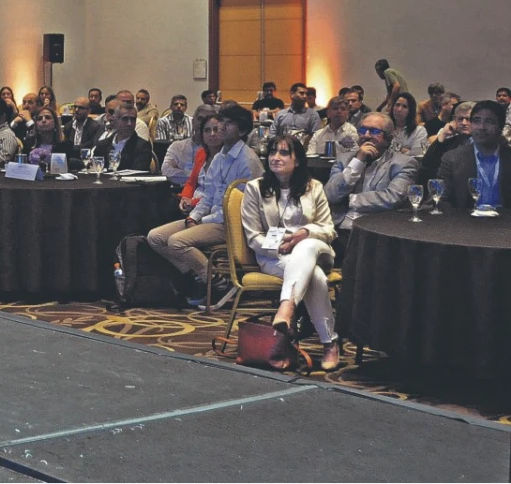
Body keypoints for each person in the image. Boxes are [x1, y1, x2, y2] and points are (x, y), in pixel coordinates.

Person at [240, 134, 340, 371]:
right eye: (273, 152)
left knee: (305, 247)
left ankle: (286, 307)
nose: (276, 157)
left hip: (317, 250)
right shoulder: (255, 189)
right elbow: (253, 237)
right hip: (274, 256)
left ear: (298, 161)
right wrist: (280, 247)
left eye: (284, 153)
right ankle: (330, 343)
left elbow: (329, 230)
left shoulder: (313, 187)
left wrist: (304, 233)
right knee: (314, 277)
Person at [149, 105, 263, 308]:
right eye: (221, 122)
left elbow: (242, 208)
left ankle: (217, 283)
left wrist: (203, 220)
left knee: (177, 242)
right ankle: (207, 279)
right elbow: (208, 195)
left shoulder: (247, 160)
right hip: (213, 218)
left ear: (242, 131)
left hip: (232, 223)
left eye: (227, 124)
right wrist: (194, 217)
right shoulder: (219, 157)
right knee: (155, 237)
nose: (220, 128)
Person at [324, 112, 418, 260]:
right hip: (340, 229)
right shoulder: (343, 159)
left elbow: (393, 197)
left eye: (374, 131)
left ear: (389, 138)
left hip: (374, 232)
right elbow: (330, 194)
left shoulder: (403, 163)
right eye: (362, 130)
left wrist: (351, 200)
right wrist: (358, 162)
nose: (366, 135)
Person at [438, 100, 511, 210]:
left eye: (489, 121)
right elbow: (440, 199)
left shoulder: (507, 157)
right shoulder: (452, 159)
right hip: (466, 223)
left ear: (500, 127)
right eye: (477, 121)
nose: (482, 127)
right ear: (471, 125)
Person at [161, 104, 216, 187]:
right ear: (193, 121)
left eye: (207, 120)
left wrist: (179, 172)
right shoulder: (177, 146)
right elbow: (166, 170)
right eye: (200, 119)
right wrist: (196, 176)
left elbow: (213, 179)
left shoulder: (217, 150)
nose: (202, 123)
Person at [420, 100, 473, 183]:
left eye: (468, 119)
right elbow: (427, 163)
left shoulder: (482, 143)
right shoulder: (450, 142)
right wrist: (443, 135)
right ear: (454, 120)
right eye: (460, 119)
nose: (464, 123)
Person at [92, 99, 152, 171]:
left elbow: (138, 173)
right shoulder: (103, 145)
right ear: (115, 120)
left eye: (133, 119)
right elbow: (96, 169)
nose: (129, 123)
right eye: (125, 119)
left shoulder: (142, 146)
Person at [388, 92, 428, 156]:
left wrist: (397, 149)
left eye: (404, 107)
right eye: (397, 105)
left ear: (410, 111)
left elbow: (417, 156)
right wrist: (403, 150)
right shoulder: (385, 127)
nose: (399, 109)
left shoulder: (419, 131)